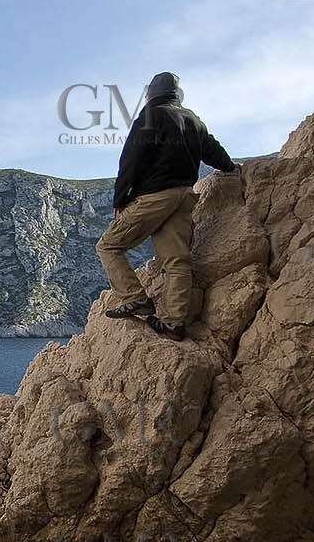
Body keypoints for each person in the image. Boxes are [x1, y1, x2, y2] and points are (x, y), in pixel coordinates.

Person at [96, 72, 238, 341]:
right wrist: (231, 168)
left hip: (155, 196)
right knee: (176, 261)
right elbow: (214, 151)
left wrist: (120, 199)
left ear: (150, 94)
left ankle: (134, 298)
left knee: (109, 246)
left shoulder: (151, 116)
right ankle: (174, 322)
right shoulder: (192, 119)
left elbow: (131, 160)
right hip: (185, 195)